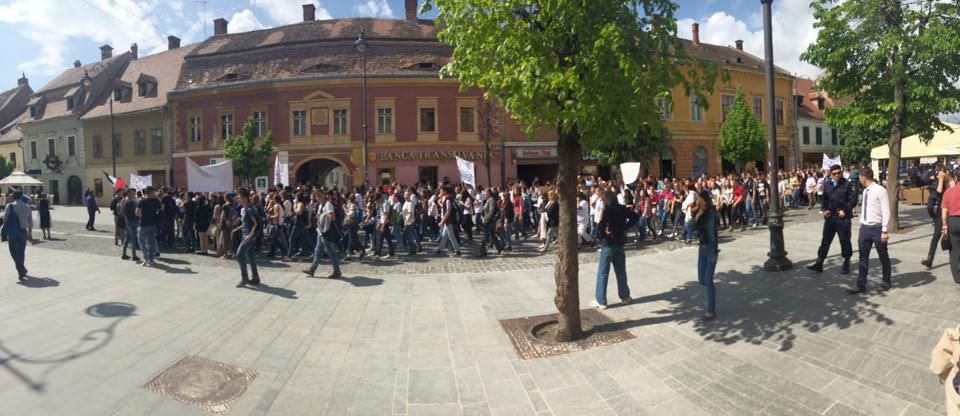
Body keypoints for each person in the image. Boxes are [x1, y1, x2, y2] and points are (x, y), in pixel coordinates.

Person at [847, 167, 892, 294]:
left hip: (877, 228)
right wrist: (861, 227)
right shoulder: (866, 191)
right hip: (866, 228)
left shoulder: (880, 190)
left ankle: (886, 281)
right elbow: (864, 210)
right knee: (863, 257)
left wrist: (884, 230)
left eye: (859, 177)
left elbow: (886, 211)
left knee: (883, 256)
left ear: (863, 177)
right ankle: (861, 284)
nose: (859, 180)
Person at [591, 190, 637, 310]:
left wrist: (604, 237)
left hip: (608, 244)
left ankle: (601, 300)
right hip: (620, 242)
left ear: (606, 200)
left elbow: (600, 227)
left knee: (603, 272)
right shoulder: (622, 208)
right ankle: (625, 296)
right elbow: (635, 217)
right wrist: (625, 228)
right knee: (621, 271)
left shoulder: (608, 210)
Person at [808, 165, 857, 274]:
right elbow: (824, 198)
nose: (837, 175)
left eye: (838, 173)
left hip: (842, 218)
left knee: (845, 241)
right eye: (834, 173)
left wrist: (845, 210)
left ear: (842, 172)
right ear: (830, 174)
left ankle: (846, 262)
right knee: (825, 241)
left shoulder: (847, 184)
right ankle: (819, 263)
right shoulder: (827, 184)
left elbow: (853, 200)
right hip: (830, 218)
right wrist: (824, 209)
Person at [691, 189, 720, 320]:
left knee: (708, 280)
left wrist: (714, 250)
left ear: (703, 200)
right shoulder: (699, 212)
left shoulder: (711, 213)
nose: (696, 200)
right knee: (701, 279)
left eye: (698, 198)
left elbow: (711, 230)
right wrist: (697, 214)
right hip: (702, 248)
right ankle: (710, 297)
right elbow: (690, 228)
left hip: (710, 247)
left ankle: (711, 310)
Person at [304, 191, 342, 279]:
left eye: (318, 196)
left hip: (326, 232)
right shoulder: (320, 205)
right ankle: (312, 269)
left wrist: (323, 216)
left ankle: (337, 271)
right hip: (320, 232)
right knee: (317, 251)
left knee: (331, 253)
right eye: (316, 197)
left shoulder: (328, 204)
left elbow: (332, 216)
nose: (317, 198)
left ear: (322, 196)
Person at [923, 166, 950, 268]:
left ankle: (955, 259)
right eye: (939, 173)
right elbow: (938, 194)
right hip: (940, 214)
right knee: (936, 236)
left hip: (950, 213)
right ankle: (929, 259)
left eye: (941, 172)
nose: (939, 174)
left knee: (953, 237)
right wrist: (941, 180)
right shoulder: (936, 183)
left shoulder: (950, 182)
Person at [2, 189, 32, 280]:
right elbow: (30, 222)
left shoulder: (10, 206)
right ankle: (21, 270)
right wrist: (30, 233)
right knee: (21, 252)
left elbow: (5, 219)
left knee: (13, 252)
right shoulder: (27, 207)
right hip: (23, 232)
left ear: (14, 196)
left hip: (13, 232)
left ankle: (21, 269)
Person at [234, 188, 261, 287]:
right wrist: (238, 227)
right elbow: (247, 223)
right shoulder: (245, 209)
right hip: (245, 236)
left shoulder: (249, 209)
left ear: (244, 198)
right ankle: (255, 277)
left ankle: (244, 278)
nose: (237, 199)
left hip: (247, 238)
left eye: (239, 197)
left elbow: (255, 224)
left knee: (239, 255)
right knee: (251, 257)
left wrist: (250, 236)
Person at [940, 168, 960, 284]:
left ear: (956, 178)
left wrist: (944, 225)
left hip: (952, 221)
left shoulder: (948, 192)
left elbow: (944, 211)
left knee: (953, 250)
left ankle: (957, 277)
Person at [136, 187, 162, 266]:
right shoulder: (156, 201)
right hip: (153, 223)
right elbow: (161, 209)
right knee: (151, 242)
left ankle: (146, 258)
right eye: (154, 192)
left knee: (141, 241)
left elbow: (137, 213)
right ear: (151, 192)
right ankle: (151, 260)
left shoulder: (142, 201)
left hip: (144, 223)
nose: (155, 193)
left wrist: (141, 217)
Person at [120, 189, 140, 261]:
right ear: (128, 194)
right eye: (133, 193)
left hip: (128, 222)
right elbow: (128, 213)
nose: (134, 195)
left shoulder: (128, 201)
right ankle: (134, 256)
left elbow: (124, 213)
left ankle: (124, 254)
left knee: (127, 238)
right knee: (133, 239)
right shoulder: (130, 202)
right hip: (132, 222)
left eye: (134, 193)